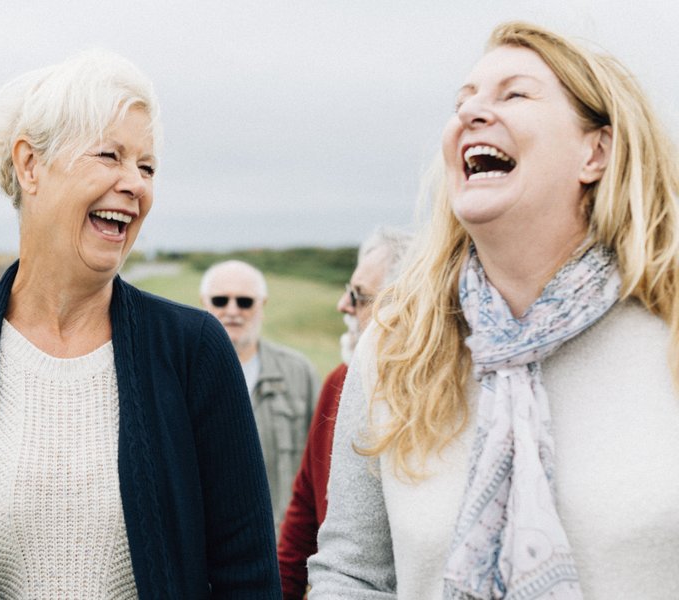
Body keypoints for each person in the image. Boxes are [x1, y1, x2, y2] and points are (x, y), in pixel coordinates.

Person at [0, 50, 282, 598]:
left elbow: (246, 574)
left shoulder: (194, 351)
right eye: (110, 155)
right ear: (30, 165)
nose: (135, 184)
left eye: (148, 166)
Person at [309, 21, 679, 599]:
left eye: (514, 94)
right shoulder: (398, 345)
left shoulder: (668, 334)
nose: (472, 114)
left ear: (596, 151)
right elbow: (353, 572)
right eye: (463, 102)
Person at [276, 226, 411, 599]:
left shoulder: (433, 401)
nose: (343, 305)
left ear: (406, 306)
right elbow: (303, 511)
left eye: (359, 297)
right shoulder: (338, 382)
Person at [198, 260, 319, 536]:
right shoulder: (181, 373)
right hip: (207, 549)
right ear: (203, 303)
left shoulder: (298, 373)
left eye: (244, 302)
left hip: (281, 546)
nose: (232, 311)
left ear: (262, 306)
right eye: (220, 300)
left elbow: (322, 468)